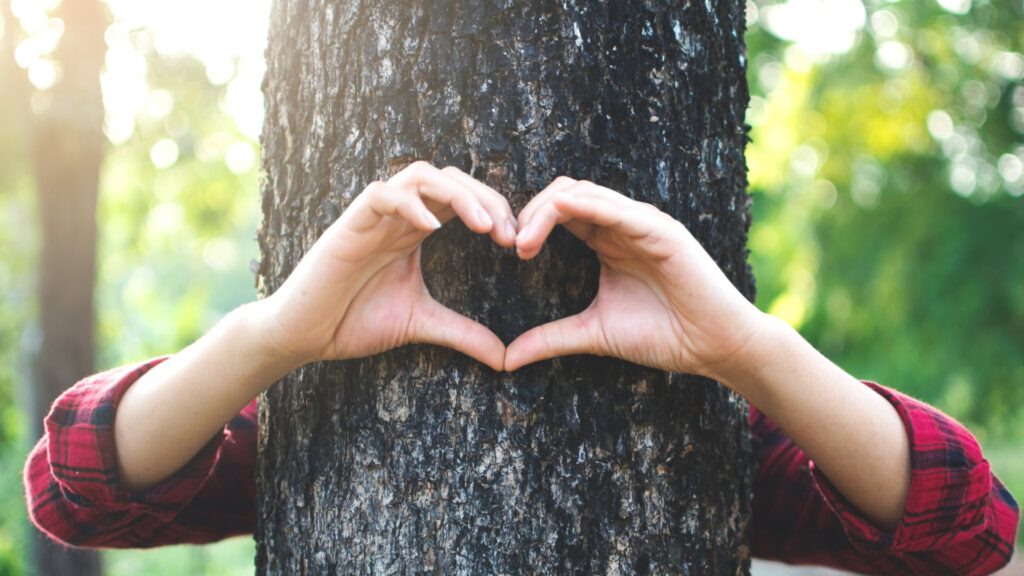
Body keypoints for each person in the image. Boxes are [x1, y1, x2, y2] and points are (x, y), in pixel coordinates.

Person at [23, 162, 1019, 574]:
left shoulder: (705, 440)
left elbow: (969, 532)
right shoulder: (322, 426)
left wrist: (744, 348)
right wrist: (276, 335)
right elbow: (80, 487)